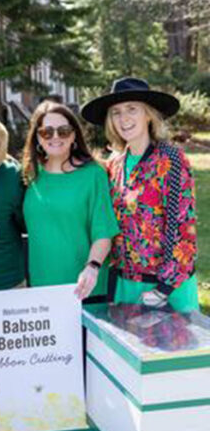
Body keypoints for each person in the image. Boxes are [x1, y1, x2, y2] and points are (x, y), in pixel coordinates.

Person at [81, 77, 198, 311]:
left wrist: (163, 289)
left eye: (132, 109)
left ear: (148, 115)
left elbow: (182, 226)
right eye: (116, 112)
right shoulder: (114, 165)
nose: (124, 118)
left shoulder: (170, 159)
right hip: (125, 285)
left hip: (166, 288)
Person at [22, 101, 119, 301]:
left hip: (83, 288)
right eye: (47, 132)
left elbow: (103, 232)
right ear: (38, 137)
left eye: (63, 131)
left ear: (74, 135)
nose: (55, 137)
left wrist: (92, 268)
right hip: (41, 288)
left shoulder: (93, 174)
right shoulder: (30, 175)